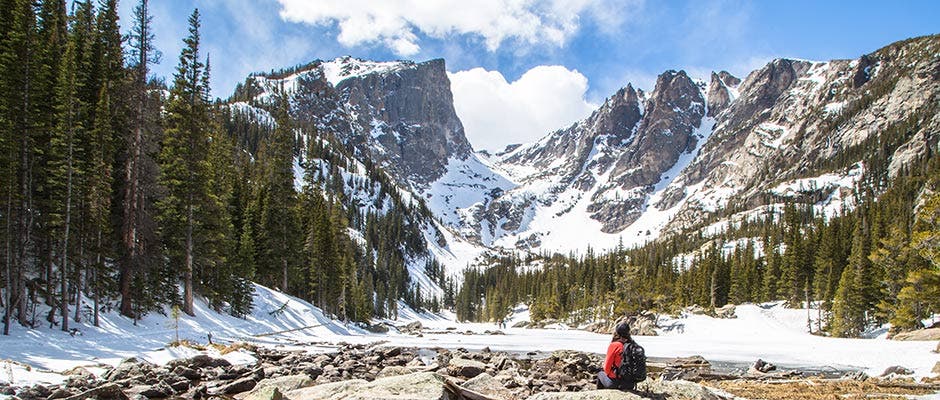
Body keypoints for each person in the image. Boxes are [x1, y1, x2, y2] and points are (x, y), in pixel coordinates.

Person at [597, 322, 637, 390]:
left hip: (615, 383)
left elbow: (606, 368)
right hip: (630, 384)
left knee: (600, 374)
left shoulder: (615, 345)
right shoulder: (633, 345)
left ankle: (600, 394)